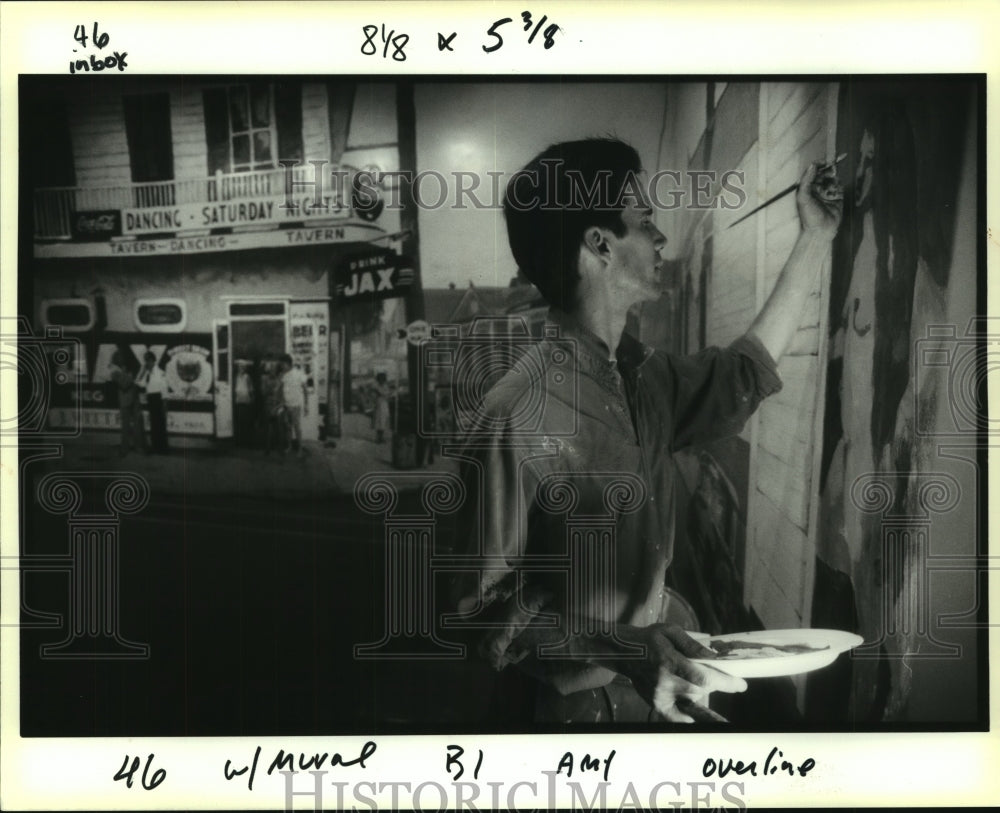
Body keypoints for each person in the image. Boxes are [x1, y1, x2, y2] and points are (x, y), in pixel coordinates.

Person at [450, 138, 843, 724]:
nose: (661, 239)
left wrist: (815, 239)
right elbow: (476, 613)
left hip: (651, 703)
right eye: (646, 220)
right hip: (561, 725)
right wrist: (624, 649)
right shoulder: (517, 413)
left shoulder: (642, 378)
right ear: (599, 246)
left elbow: (741, 374)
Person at [110, 350, 146, 456]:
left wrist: (133, 377)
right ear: (116, 360)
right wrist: (132, 377)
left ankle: (138, 447)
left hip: (135, 400)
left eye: (122, 357)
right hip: (124, 401)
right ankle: (124, 448)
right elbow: (124, 385)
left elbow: (135, 383)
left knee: (138, 425)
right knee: (125, 426)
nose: (121, 360)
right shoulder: (114, 372)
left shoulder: (126, 370)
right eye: (119, 358)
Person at [136, 350, 169, 454]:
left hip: (159, 399)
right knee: (154, 425)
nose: (147, 363)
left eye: (149, 360)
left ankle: (163, 448)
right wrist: (142, 371)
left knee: (161, 425)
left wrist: (164, 404)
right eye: (145, 360)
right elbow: (139, 383)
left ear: (153, 361)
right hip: (151, 399)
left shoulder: (160, 373)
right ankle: (155, 447)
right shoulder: (147, 373)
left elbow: (164, 390)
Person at [279, 353, 308, 456]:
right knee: (287, 427)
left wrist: (306, 405)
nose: (282, 366)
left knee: (297, 427)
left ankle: (300, 449)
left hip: (296, 405)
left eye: (283, 364)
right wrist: (282, 403)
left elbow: (305, 390)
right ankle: (289, 446)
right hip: (286, 406)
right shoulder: (284, 375)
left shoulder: (299, 373)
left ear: (288, 363)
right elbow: (282, 390)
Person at [260, 359, 285, 454]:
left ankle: (280, 449)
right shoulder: (265, 379)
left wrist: (280, 404)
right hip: (268, 405)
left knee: (280, 428)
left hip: (278, 405)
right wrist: (270, 389)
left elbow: (282, 394)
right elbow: (263, 393)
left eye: (274, 369)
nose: (272, 370)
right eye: (270, 369)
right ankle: (267, 448)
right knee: (268, 428)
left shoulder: (280, 380)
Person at [372, 372, 390, 444]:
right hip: (378, 404)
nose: (381, 381)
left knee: (383, 421)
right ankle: (378, 438)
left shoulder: (385, 386)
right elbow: (373, 395)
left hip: (384, 405)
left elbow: (386, 394)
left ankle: (381, 437)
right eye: (379, 379)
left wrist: (378, 391)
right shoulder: (377, 386)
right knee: (378, 421)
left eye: (382, 379)